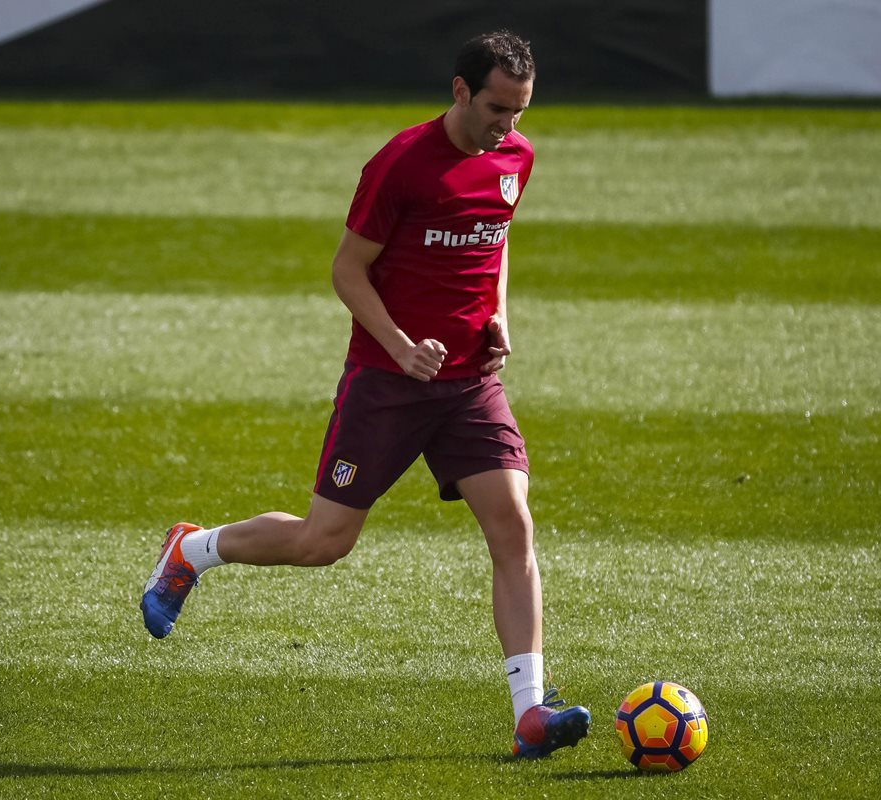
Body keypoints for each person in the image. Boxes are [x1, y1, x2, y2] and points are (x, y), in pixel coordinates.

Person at [140, 29, 589, 760]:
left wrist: (498, 313)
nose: (509, 126)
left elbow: (496, 238)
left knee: (514, 528)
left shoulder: (516, 157)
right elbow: (347, 272)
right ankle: (192, 550)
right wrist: (401, 346)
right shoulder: (401, 164)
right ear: (459, 91)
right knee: (325, 543)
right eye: (497, 109)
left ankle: (530, 712)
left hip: (471, 383)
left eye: (521, 111)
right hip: (387, 382)